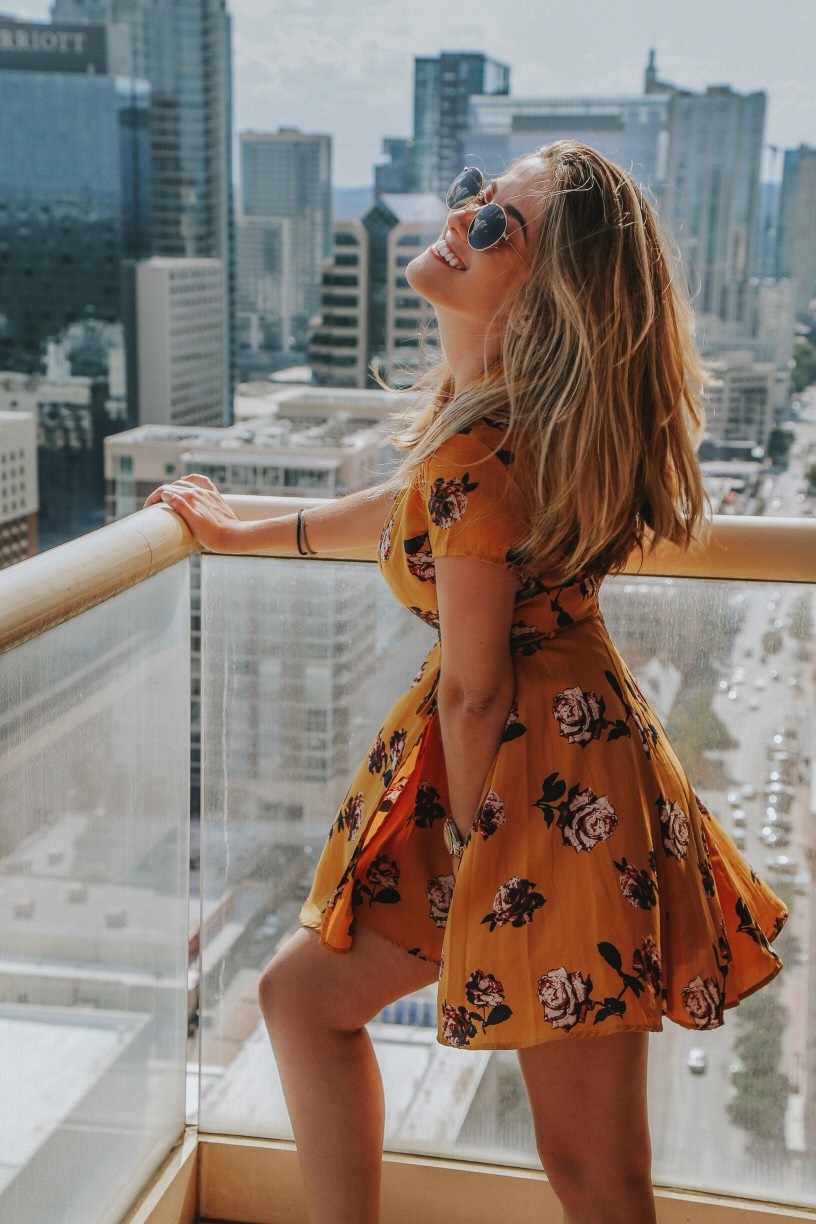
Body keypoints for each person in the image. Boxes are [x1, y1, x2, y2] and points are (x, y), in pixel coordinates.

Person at [145, 141, 788, 1224]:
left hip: (527, 794)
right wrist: (248, 526)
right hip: (556, 766)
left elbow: (475, 691)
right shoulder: (484, 422)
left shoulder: (482, 440)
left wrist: (485, 864)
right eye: (477, 198)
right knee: (303, 999)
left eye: (501, 227)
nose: (466, 220)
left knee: (591, 1168)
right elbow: (417, 517)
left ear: (545, 306)